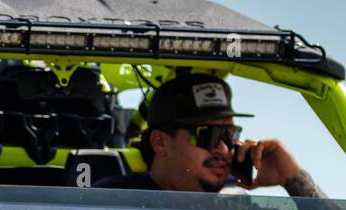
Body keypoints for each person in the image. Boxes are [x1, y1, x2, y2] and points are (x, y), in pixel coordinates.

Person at [96, 73, 326, 197]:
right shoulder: (110, 201)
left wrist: (292, 178)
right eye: (209, 135)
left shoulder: (240, 209)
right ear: (160, 142)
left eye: (229, 134)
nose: (224, 149)